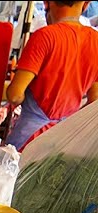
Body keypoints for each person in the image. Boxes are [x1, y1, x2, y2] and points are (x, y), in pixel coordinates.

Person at [6, 0, 98, 149]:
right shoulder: (96, 41)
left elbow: (14, 95)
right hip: (63, 140)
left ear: (47, 3)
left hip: (28, 139)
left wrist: (29, 106)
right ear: (85, 4)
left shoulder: (45, 36)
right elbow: (94, 100)